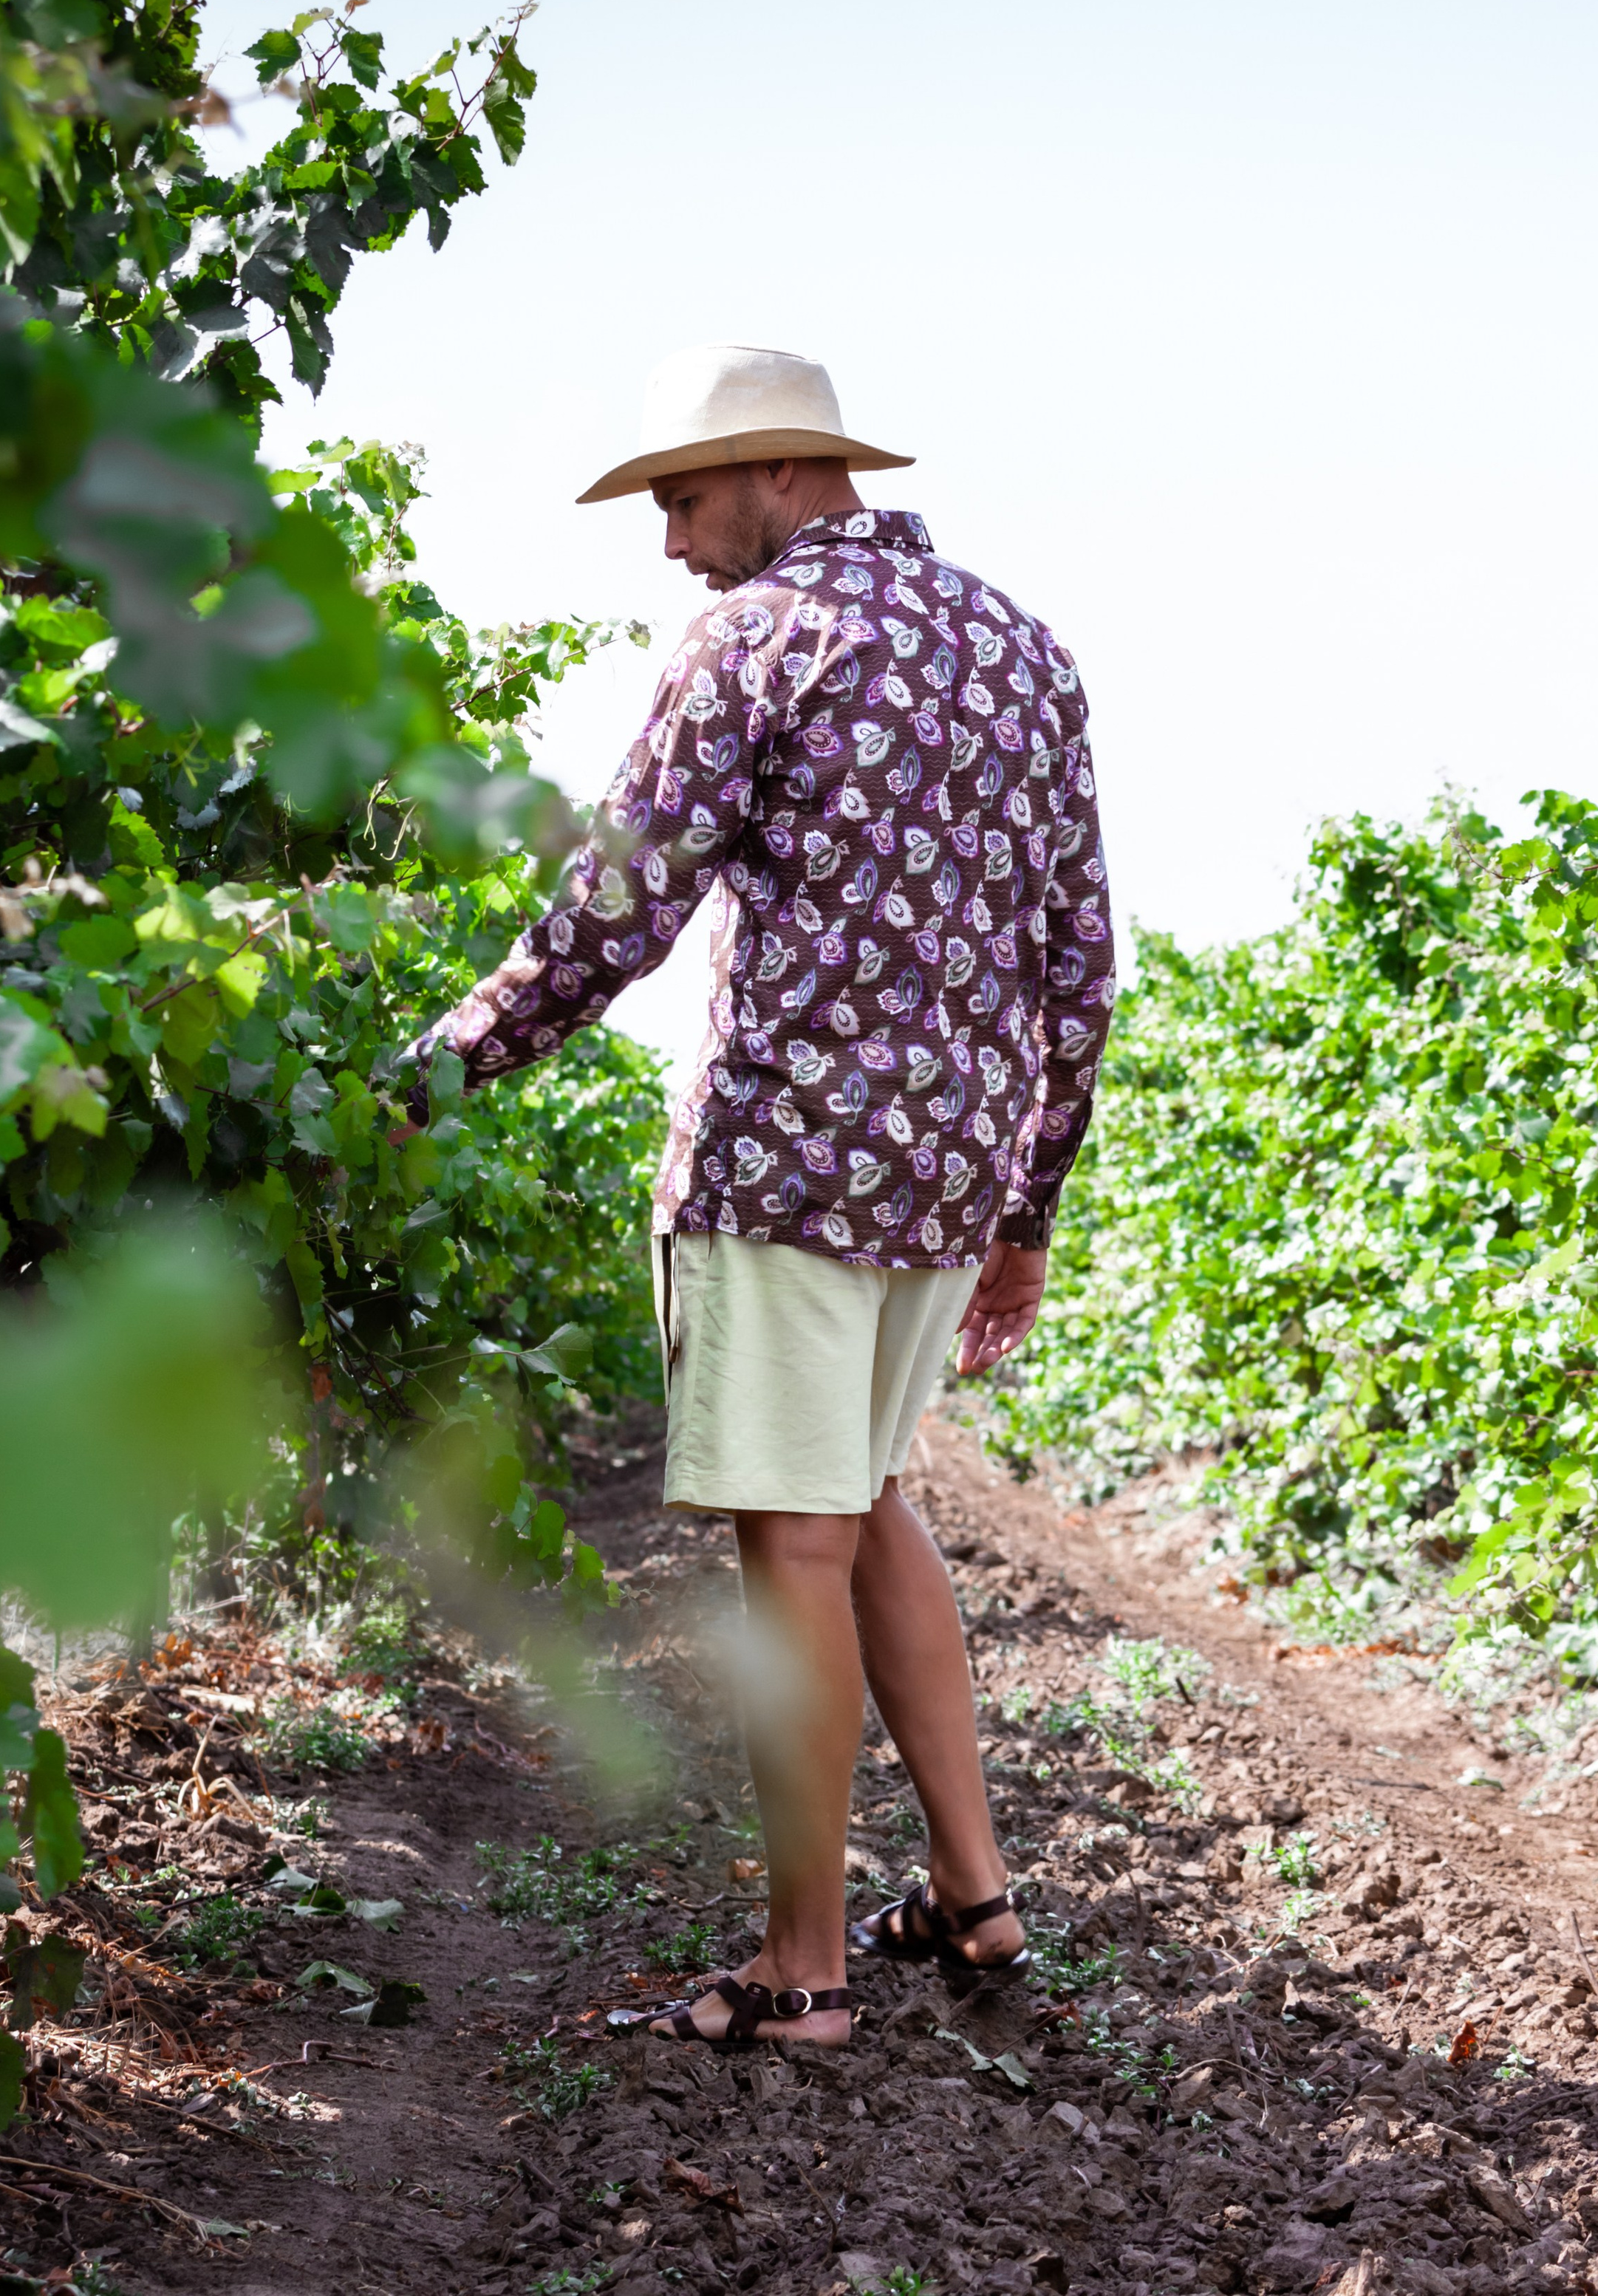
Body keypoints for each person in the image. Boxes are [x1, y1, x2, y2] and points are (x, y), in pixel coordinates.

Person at [409, 344, 1114, 2047]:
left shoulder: (759, 638)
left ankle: (802, 1972)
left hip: (790, 1162)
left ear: (787, 475)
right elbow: (1077, 955)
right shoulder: (1021, 646)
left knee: (792, 1542)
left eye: (681, 496)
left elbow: (620, 900)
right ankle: (974, 1898)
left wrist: (435, 1071)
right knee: (865, 1504)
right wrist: (1023, 1207)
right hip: (944, 1174)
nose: (667, 541)